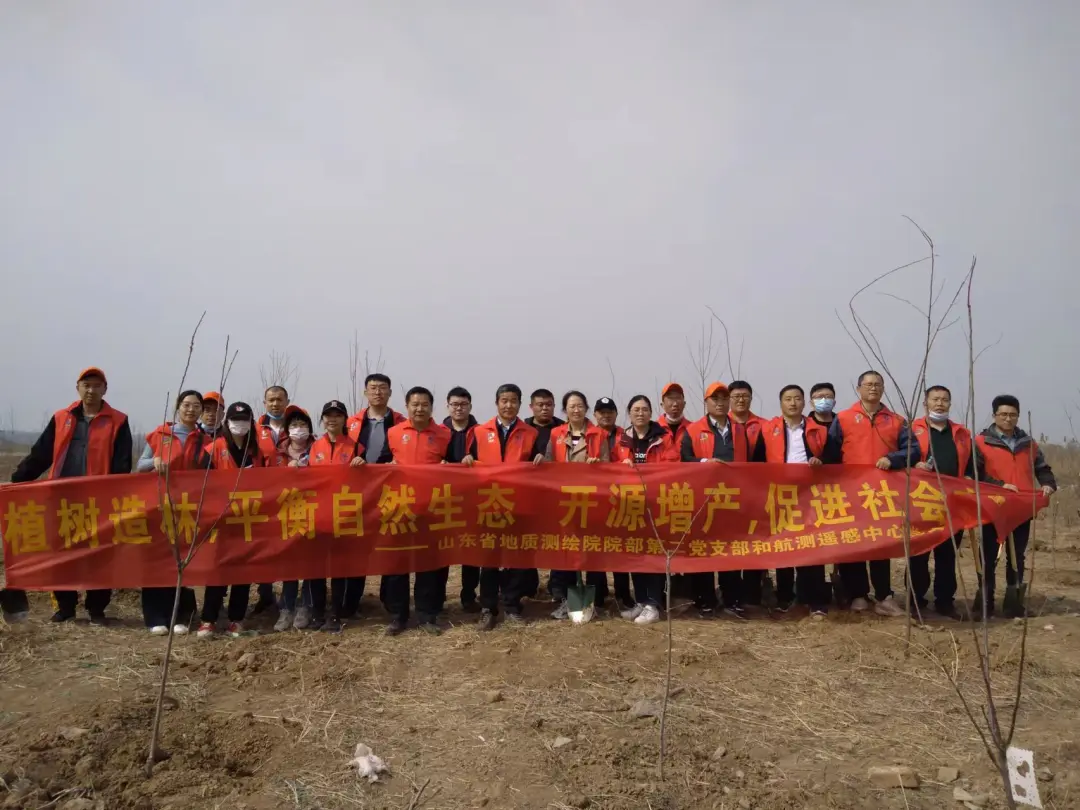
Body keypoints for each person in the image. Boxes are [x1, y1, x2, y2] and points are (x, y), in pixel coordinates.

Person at [7, 367, 133, 625]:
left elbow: (122, 463)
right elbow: (41, 453)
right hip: (62, 498)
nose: (91, 390)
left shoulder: (118, 420)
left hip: (99, 500)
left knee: (100, 553)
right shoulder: (61, 417)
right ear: (78, 388)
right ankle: (65, 607)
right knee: (61, 551)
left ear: (105, 389)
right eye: (86, 385)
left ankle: (96, 608)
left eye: (96, 385)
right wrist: (17, 480)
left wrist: (116, 493)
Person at [826, 371, 916, 617]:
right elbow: (831, 454)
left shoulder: (896, 420)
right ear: (858, 389)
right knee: (854, 541)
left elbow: (913, 450)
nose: (873, 388)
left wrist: (892, 458)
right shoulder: (844, 418)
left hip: (883, 494)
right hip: (850, 493)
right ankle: (858, 594)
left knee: (880, 544)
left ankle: (884, 596)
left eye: (877, 384)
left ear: (883, 388)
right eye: (868, 384)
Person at [908, 386, 1000, 621]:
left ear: (950, 404)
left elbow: (971, 465)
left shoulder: (961, 433)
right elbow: (901, 458)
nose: (940, 404)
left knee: (947, 554)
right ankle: (916, 600)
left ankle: (945, 602)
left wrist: (968, 477)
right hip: (921, 502)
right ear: (925, 403)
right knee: (918, 554)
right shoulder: (912, 430)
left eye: (944, 400)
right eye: (935, 399)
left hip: (953, 503)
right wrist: (914, 465)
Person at [462, 384, 542, 630]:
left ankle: (511, 605)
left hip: (519, 504)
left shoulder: (531, 433)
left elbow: (538, 464)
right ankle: (488, 607)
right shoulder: (479, 431)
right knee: (490, 558)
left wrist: (541, 460)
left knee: (516, 557)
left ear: (520, 404)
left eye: (513, 401)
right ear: (496, 403)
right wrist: (467, 459)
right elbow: (468, 460)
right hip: (489, 503)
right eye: (504, 400)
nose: (508, 405)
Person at [973, 394, 1057, 618]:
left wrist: (1048, 484)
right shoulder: (980, 442)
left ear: (1018, 416)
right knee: (988, 555)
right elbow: (975, 472)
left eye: (1012, 415)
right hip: (992, 506)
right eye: (1003, 414)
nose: (1008, 418)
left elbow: (1043, 468)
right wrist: (999, 485)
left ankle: (1014, 603)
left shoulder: (1028, 444)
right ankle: (985, 602)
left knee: (1017, 555)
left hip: (1021, 508)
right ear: (994, 415)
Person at [753, 385, 830, 618]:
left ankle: (815, 600)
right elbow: (757, 462)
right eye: (788, 399)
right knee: (784, 546)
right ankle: (785, 598)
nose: (793, 403)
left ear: (804, 403)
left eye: (797, 398)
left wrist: (821, 461)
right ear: (781, 403)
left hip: (810, 495)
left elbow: (833, 457)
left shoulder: (818, 430)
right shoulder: (768, 429)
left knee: (811, 546)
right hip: (780, 495)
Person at [382, 386, 454, 636]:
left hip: (432, 508)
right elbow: (380, 463)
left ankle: (427, 615)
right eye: (415, 404)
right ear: (407, 406)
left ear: (432, 407)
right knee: (397, 563)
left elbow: (456, 468)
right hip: (400, 507)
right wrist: (386, 465)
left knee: (429, 564)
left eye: (424, 404)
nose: (419, 409)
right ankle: (397, 616)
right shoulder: (393, 432)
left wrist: (449, 466)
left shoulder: (444, 434)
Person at [679, 382, 754, 618]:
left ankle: (732, 600)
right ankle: (705, 601)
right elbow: (683, 460)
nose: (720, 403)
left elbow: (753, 463)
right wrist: (704, 463)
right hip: (703, 501)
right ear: (706, 402)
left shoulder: (740, 430)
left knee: (731, 549)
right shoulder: (693, 430)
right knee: (703, 550)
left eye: (724, 399)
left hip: (733, 499)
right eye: (715, 399)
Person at [138, 390, 208, 635]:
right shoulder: (160, 434)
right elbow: (140, 465)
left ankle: (182, 616)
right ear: (178, 407)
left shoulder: (205, 439)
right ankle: (155, 617)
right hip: (160, 504)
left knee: (185, 560)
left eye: (196, 406)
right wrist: (154, 462)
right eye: (186, 405)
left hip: (190, 507)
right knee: (157, 558)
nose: (191, 410)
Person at [198, 402, 266, 638]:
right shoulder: (214, 448)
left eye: (245, 420)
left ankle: (236, 619)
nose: (240, 424)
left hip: (248, 517)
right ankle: (208, 619)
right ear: (226, 422)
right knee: (218, 570)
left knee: (242, 572)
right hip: (221, 518)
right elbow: (201, 484)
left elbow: (267, 483)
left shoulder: (256, 452)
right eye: (236, 420)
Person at [612, 394, 679, 625]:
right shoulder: (622, 440)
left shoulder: (663, 438)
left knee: (653, 554)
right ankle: (641, 600)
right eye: (636, 410)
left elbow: (673, 466)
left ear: (651, 413)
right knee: (635, 552)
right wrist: (621, 466)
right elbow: (610, 468)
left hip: (656, 503)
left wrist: (648, 472)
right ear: (629, 413)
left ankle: (653, 604)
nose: (640, 413)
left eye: (644, 409)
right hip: (631, 503)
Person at [545, 391, 610, 620]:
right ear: (565, 410)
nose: (576, 410)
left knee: (592, 552)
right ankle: (567, 600)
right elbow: (549, 465)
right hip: (565, 501)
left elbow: (608, 466)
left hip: (591, 501)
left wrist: (597, 465)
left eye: (580, 405)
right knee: (566, 552)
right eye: (571, 406)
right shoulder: (556, 434)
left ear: (586, 408)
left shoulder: (599, 434)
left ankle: (594, 601)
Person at [345, 373, 405, 616]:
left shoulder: (401, 422)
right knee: (357, 546)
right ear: (365, 392)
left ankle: (390, 601)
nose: (378, 392)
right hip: (358, 492)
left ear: (390, 392)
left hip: (390, 491)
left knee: (391, 544)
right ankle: (350, 602)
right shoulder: (352, 423)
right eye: (373, 388)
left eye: (382, 388)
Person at [307, 400, 365, 631]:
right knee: (317, 567)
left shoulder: (356, 447)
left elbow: (365, 480)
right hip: (318, 513)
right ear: (323, 419)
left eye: (338, 415)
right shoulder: (314, 446)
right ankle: (317, 613)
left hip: (344, 514)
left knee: (339, 567)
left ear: (345, 419)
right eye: (328, 415)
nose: (333, 419)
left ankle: (335, 614)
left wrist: (362, 464)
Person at [275, 406, 317, 631]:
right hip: (286, 513)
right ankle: (286, 607)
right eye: (293, 425)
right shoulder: (278, 453)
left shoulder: (318, 449)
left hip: (312, 511)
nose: (298, 429)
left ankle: (306, 606)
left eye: (302, 425)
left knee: (310, 561)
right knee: (289, 561)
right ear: (287, 429)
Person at [252, 385, 290, 614]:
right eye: (271, 400)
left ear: (287, 402)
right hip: (263, 496)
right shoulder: (255, 430)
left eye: (279, 399)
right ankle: (265, 594)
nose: (275, 404)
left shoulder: (296, 426)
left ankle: (288, 598)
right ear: (264, 402)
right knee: (263, 546)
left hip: (289, 495)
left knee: (288, 545)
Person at [594, 396, 634, 612]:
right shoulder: (589, 435)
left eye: (610, 411)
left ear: (616, 414)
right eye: (602, 412)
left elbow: (629, 461)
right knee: (595, 548)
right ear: (595, 415)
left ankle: (623, 594)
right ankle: (598, 595)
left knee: (620, 548)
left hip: (619, 498)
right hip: (595, 499)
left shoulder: (625, 436)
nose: (606, 415)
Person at [443, 386, 480, 612]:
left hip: (471, 499)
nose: (459, 408)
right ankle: (438, 596)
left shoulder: (481, 432)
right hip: (443, 499)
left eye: (463, 404)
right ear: (448, 406)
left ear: (470, 406)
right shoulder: (438, 432)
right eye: (455, 404)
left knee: (471, 548)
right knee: (442, 548)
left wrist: (474, 461)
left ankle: (469, 595)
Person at [525, 388, 564, 599]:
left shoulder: (562, 429)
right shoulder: (523, 428)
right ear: (531, 407)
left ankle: (556, 584)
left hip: (556, 493)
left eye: (548, 404)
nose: (544, 408)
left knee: (557, 539)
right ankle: (529, 583)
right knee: (529, 539)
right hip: (529, 492)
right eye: (540, 405)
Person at [658, 383, 689, 449]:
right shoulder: (653, 429)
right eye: (670, 399)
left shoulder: (693, 429)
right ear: (662, 405)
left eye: (678, 398)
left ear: (684, 404)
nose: (675, 404)